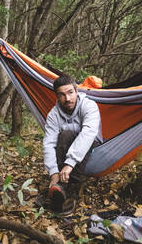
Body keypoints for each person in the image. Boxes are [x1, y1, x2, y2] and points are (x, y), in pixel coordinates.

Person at [43, 75, 102, 205]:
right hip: (68, 146)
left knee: (78, 136)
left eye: (70, 92)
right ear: (57, 97)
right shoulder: (54, 114)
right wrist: (53, 172)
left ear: (77, 91)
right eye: (62, 95)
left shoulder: (89, 106)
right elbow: (49, 143)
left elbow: (88, 133)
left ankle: (70, 188)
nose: (67, 99)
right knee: (65, 135)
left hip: (94, 147)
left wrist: (69, 164)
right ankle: (59, 183)